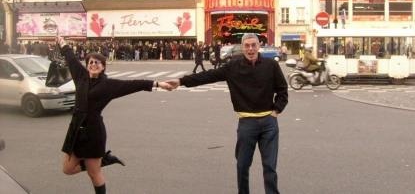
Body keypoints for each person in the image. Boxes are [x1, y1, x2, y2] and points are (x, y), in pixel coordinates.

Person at [167, 33, 288, 194]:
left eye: (253, 45)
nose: (250, 49)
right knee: (243, 165)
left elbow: (282, 90)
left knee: (270, 167)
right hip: (247, 123)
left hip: (269, 123)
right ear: (243, 47)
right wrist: (182, 81)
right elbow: (208, 76)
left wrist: (276, 110)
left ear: (259, 46)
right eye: (247, 45)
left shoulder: (270, 66)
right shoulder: (233, 66)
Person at [57, 36, 172, 194]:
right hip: (76, 130)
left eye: (97, 62)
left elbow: (133, 85)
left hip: (93, 132)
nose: (93, 64)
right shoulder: (81, 77)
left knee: (94, 173)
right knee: (67, 169)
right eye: (90, 62)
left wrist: (158, 84)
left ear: (103, 67)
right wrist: (62, 43)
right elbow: (70, 58)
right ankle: (105, 160)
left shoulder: (108, 85)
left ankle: (99, 164)